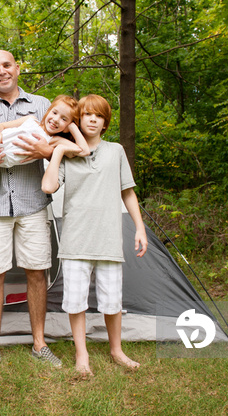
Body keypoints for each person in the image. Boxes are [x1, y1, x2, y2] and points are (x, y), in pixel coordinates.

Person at [0, 49, 63, 370]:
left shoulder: (42, 105)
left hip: (33, 201)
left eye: (7, 65)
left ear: (18, 68)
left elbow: (58, 146)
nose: (2, 71)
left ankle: (40, 343)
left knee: (37, 271)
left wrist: (43, 149)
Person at [42, 94, 149, 376]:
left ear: (104, 123)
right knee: (75, 301)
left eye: (98, 116)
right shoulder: (66, 151)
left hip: (108, 239)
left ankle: (116, 350)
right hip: (76, 239)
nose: (92, 119)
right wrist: (58, 151)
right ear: (78, 121)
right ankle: (82, 354)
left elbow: (127, 191)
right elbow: (49, 186)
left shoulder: (116, 151)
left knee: (112, 301)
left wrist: (139, 228)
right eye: (87, 114)